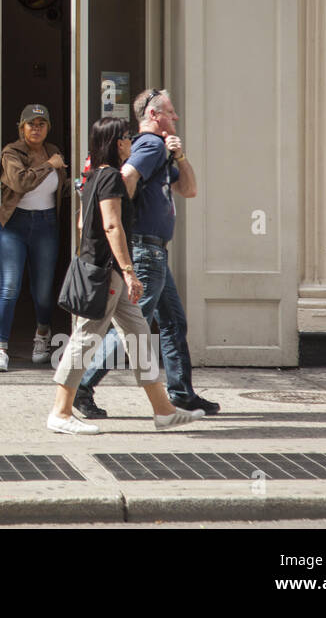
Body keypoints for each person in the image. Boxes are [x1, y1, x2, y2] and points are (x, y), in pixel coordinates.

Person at [46, 117, 203, 434]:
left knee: (141, 337)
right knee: (86, 339)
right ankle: (60, 413)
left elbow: (82, 224)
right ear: (119, 143)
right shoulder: (113, 179)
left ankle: (164, 411)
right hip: (108, 273)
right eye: (128, 138)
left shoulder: (93, 177)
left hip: (102, 269)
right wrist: (129, 271)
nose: (132, 143)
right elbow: (112, 225)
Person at [73, 88, 218, 419]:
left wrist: (180, 156)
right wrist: (120, 223)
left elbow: (189, 189)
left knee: (172, 323)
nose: (176, 117)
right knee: (130, 327)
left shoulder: (162, 150)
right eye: (170, 112)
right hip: (145, 250)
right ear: (154, 115)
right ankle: (82, 385)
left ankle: (181, 393)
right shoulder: (150, 145)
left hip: (155, 252)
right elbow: (124, 179)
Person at [0, 104, 67, 371]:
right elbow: (21, 182)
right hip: (15, 225)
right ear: (21, 127)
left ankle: (42, 336)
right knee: (10, 287)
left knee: (44, 291)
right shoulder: (12, 152)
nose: (36, 129)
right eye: (31, 124)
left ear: (48, 128)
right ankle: (0, 348)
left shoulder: (54, 151)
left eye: (41, 124)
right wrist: (49, 166)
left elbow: (62, 187)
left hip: (46, 224)